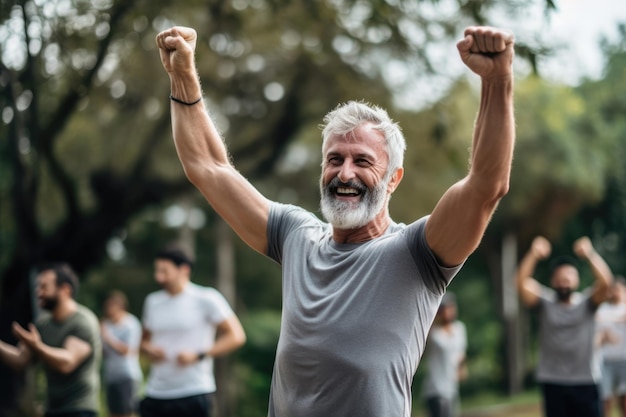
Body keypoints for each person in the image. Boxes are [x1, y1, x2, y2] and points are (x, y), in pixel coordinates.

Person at [155, 23, 515, 417]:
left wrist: (497, 82)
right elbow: (207, 166)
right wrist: (183, 77)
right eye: (334, 159)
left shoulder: (417, 253)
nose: (345, 174)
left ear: (394, 178)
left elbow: (485, 186)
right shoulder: (294, 235)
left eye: (362, 161)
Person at [139, 246, 246, 417]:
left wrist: (198, 355)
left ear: (184, 270)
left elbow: (236, 336)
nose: (158, 277)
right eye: (157, 271)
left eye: (165, 271)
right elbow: (142, 342)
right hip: (155, 393)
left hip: (193, 392)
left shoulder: (207, 298)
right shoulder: (152, 301)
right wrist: (149, 349)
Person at [515, 236, 613, 417]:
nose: (564, 281)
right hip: (553, 381)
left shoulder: (587, 303)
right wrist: (533, 254)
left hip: (586, 380)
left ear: (577, 279)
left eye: (569, 276)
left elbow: (606, 283)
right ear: (553, 281)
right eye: (560, 277)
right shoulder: (544, 303)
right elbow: (520, 283)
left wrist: (590, 254)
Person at [0, 262, 101, 417]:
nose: (38, 292)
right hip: (52, 409)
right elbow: (20, 360)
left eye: (44, 287)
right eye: (38, 287)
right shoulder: (43, 323)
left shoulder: (83, 321)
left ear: (65, 290)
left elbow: (67, 363)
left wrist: (37, 346)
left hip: (79, 409)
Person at [421, 292, 468, 417]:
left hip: (452, 387)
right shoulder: (433, 332)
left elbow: (461, 354)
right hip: (436, 388)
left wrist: (462, 368)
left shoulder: (459, 329)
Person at [101, 290, 144, 417]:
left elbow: (127, 350)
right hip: (110, 376)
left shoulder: (131, 323)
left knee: (128, 412)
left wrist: (107, 337)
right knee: (112, 412)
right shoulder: (106, 324)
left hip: (127, 376)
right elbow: (104, 353)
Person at [596, 276, 626, 417]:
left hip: (624, 361)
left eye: (618, 289)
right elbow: (596, 338)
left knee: (624, 401)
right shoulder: (601, 310)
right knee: (604, 400)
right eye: (613, 290)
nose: (616, 293)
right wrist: (603, 337)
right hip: (605, 361)